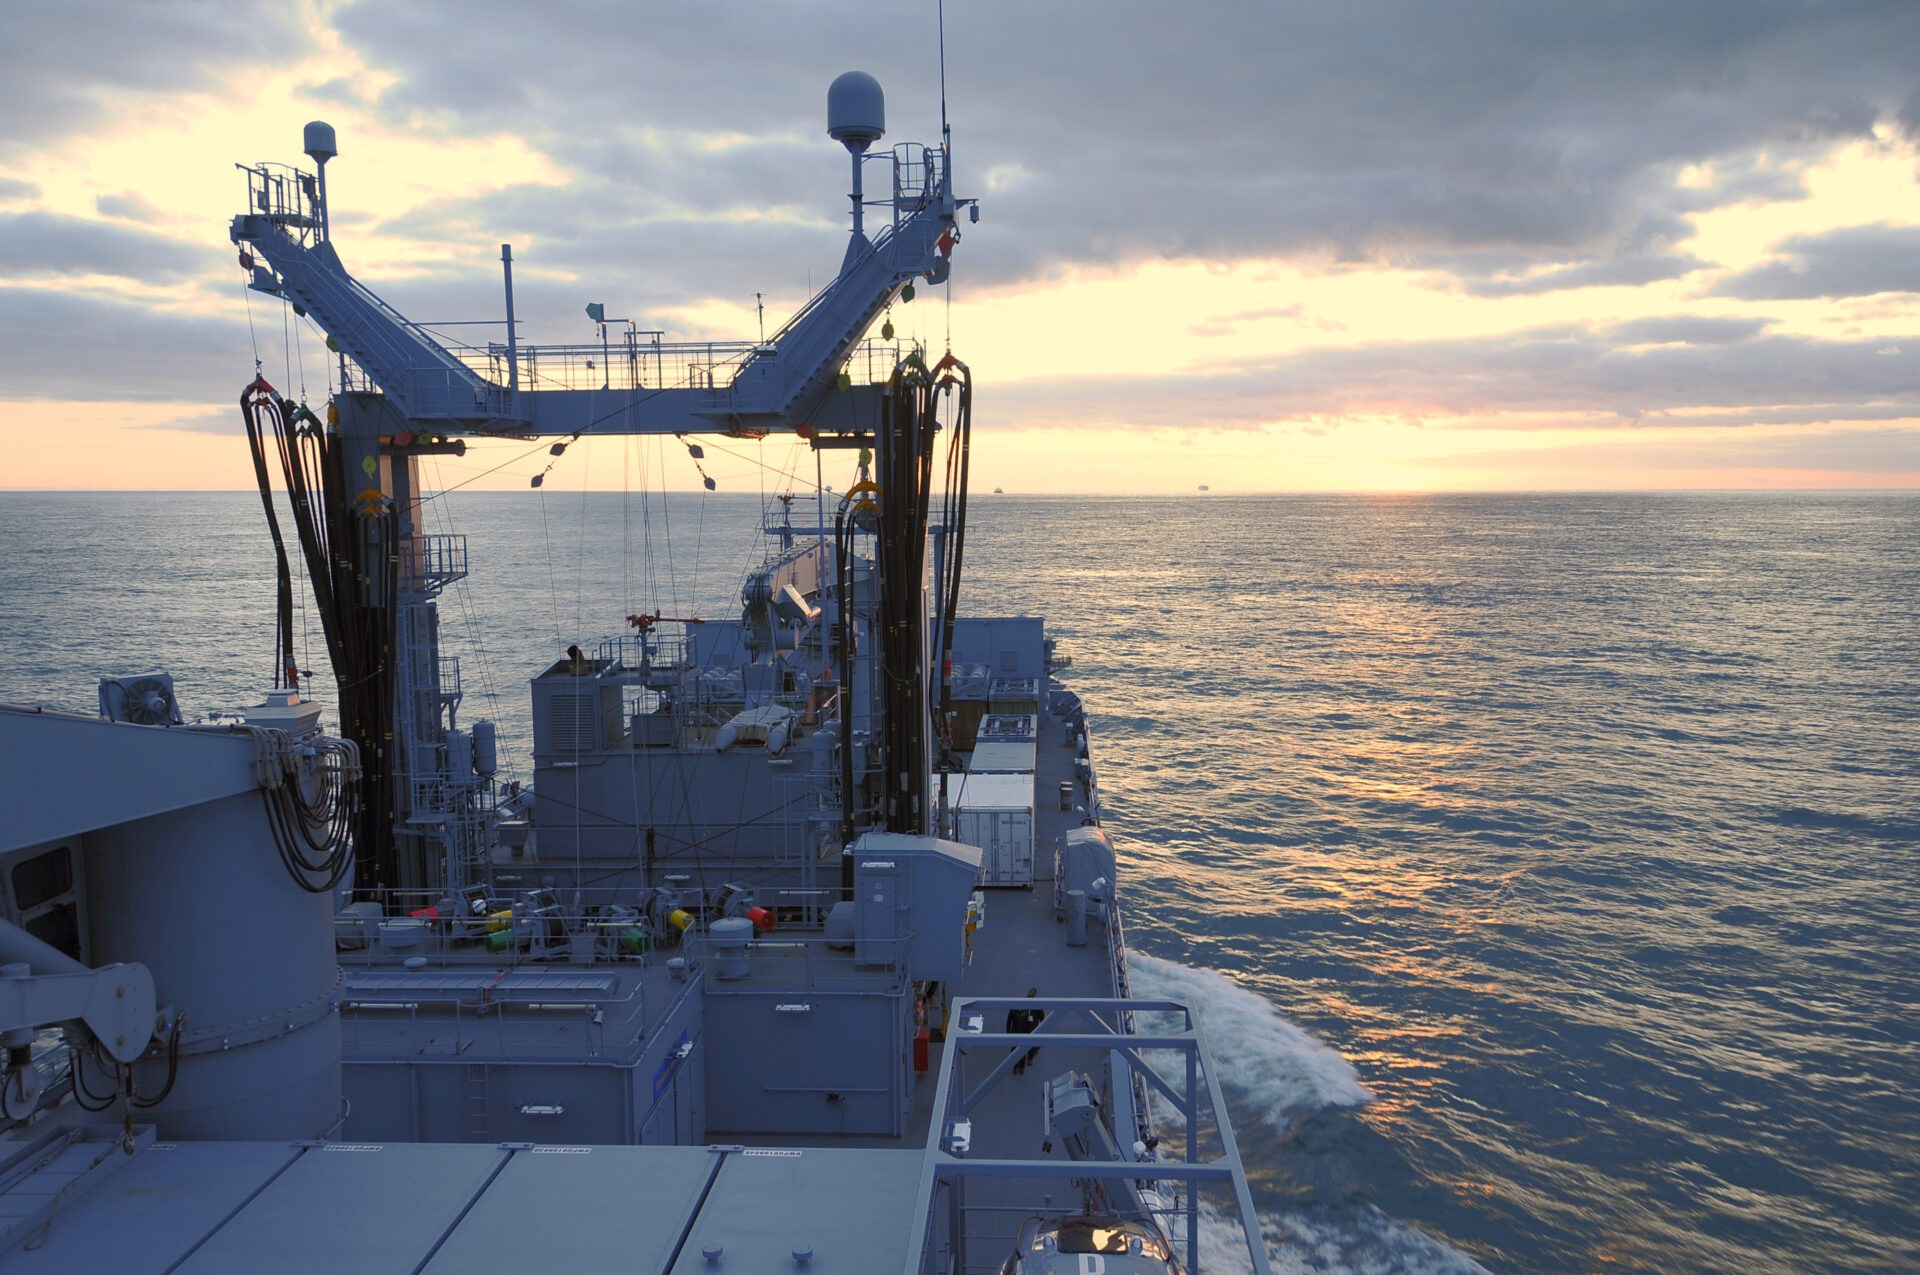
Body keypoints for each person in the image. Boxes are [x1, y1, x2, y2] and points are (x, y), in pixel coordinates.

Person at [1006, 987, 1043, 1074]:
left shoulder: (1030, 1010)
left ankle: (1022, 1067)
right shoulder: (1014, 1009)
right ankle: (1015, 1066)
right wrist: (1008, 1033)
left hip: (1026, 1032)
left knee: (1023, 1051)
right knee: (1014, 1051)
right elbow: (1009, 1021)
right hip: (1015, 1032)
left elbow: (1039, 1017)